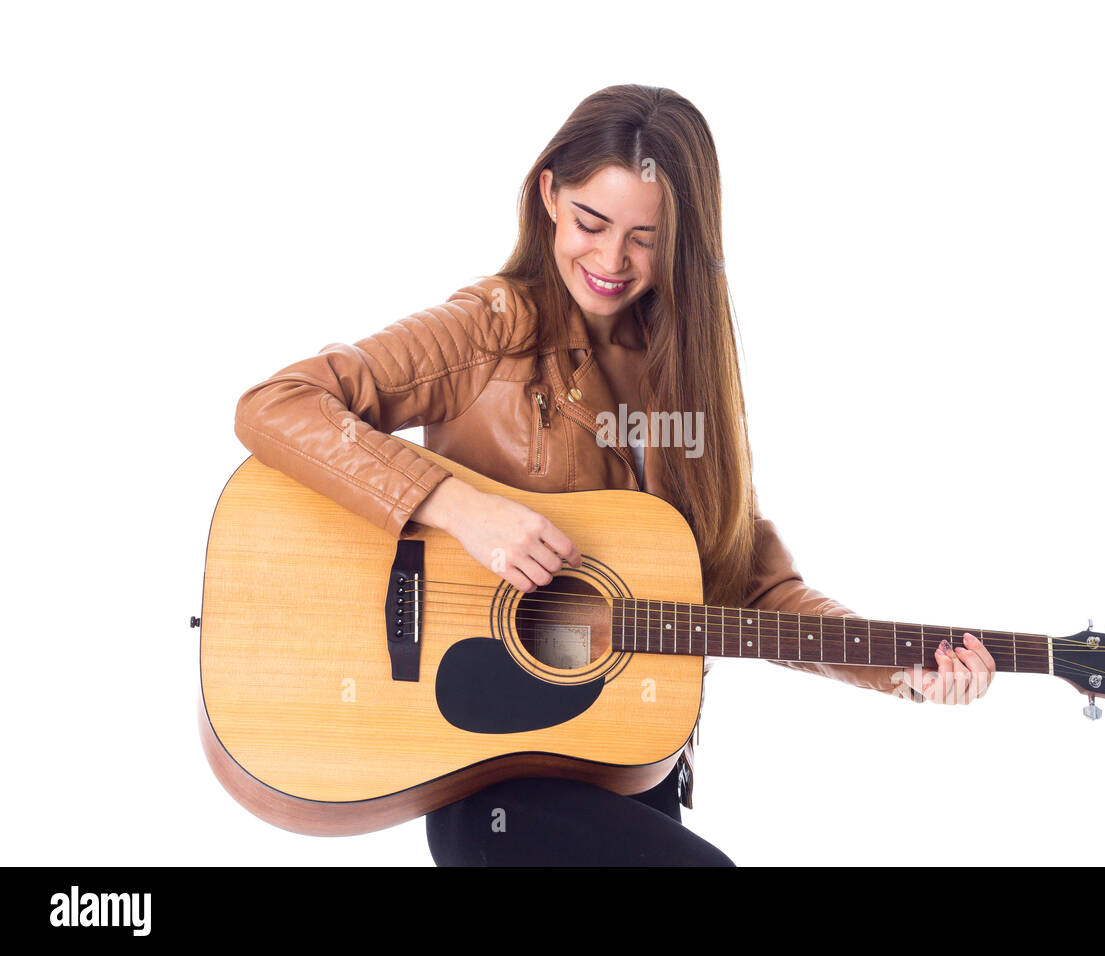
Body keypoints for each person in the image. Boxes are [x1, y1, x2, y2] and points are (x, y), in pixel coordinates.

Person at [232, 84, 996, 866]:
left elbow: (752, 588)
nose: (610, 261)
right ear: (548, 196)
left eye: (645, 238)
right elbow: (276, 406)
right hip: (490, 775)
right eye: (591, 224)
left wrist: (902, 667)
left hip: (631, 766)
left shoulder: (688, 383)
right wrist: (461, 508)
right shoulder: (490, 331)